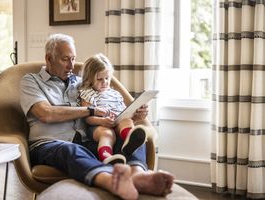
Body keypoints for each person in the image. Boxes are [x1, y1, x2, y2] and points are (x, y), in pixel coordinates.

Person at [20, 33, 174, 199]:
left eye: (73, 58)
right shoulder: (31, 81)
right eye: (65, 59)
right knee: (71, 150)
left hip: (88, 142)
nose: (71, 65)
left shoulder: (82, 83)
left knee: (131, 135)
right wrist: (91, 110)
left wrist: (133, 114)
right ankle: (110, 181)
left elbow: (109, 101)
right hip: (49, 144)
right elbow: (46, 113)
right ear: (49, 59)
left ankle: (138, 175)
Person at [79, 53, 147, 165]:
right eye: (99, 79)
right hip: (98, 126)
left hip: (117, 122)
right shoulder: (88, 93)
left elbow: (125, 111)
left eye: (107, 78)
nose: (104, 82)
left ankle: (130, 140)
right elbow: (87, 118)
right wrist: (102, 121)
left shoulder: (115, 94)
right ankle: (106, 156)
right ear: (89, 78)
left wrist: (133, 113)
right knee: (107, 134)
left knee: (127, 121)